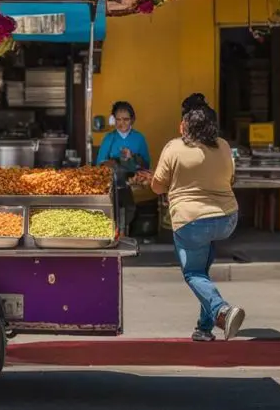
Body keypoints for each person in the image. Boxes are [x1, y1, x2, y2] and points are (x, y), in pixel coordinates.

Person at [144, 105, 245, 342]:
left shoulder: (174, 147)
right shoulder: (223, 145)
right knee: (202, 273)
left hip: (191, 222)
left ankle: (222, 310)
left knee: (193, 273)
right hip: (226, 219)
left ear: (185, 126)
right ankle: (204, 328)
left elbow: (157, 187)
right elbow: (231, 177)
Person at [96, 101, 151, 233]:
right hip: (113, 184)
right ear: (113, 120)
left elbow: (146, 164)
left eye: (126, 119)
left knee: (129, 211)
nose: (122, 123)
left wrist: (132, 156)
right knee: (113, 213)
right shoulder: (109, 138)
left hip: (132, 184)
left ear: (133, 119)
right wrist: (113, 162)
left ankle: (125, 233)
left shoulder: (139, 138)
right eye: (118, 119)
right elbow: (99, 164)